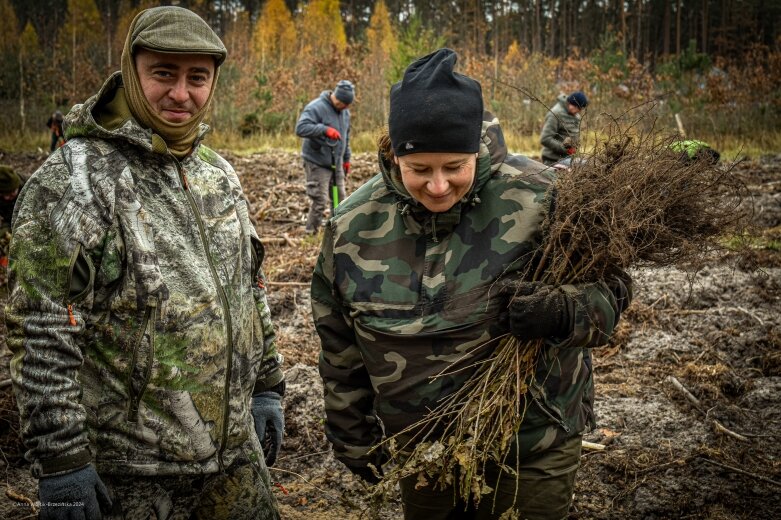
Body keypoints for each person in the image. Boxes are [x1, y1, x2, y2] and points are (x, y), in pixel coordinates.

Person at [312, 49, 631, 520]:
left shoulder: (545, 199)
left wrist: (564, 310)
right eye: (419, 169)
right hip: (421, 452)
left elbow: (615, 293)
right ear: (396, 153)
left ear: (476, 152)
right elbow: (339, 344)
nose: (438, 186)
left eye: (454, 167)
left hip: (532, 447)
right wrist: (352, 437)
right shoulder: (351, 227)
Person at [6, 6, 284, 519]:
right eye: (163, 74)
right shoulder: (74, 181)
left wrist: (267, 386)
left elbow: (251, 289)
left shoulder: (217, 174)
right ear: (131, 73)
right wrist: (62, 461)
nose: (182, 94)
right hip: (131, 478)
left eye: (197, 78)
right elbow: (42, 330)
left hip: (234, 464)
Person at [295, 79, 354, 234]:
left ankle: (337, 232)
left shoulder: (345, 113)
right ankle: (311, 232)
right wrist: (324, 130)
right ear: (338, 98)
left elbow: (346, 138)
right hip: (317, 161)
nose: (347, 108)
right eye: (345, 104)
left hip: (337, 161)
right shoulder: (316, 107)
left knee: (340, 200)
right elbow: (301, 128)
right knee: (320, 200)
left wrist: (346, 159)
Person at [540, 90, 588, 166]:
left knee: (591, 163)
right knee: (584, 166)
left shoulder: (576, 116)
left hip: (570, 157)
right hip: (553, 159)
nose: (578, 112)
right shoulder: (555, 114)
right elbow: (545, 139)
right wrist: (566, 150)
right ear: (572, 104)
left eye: (580, 109)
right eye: (578, 108)